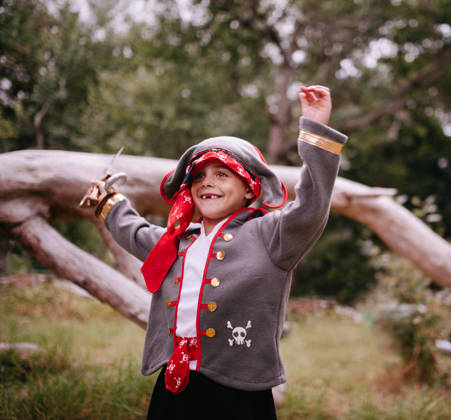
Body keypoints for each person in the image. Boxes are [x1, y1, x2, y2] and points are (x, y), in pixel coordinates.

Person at [88, 85, 347, 419]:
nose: (206, 182)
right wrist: (108, 202)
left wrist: (316, 131)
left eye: (222, 174)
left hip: (239, 390)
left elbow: (312, 206)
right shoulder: (178, 240)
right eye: (198, 176)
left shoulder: (272, 236)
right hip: (173, 384)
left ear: (249, 188)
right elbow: (135, 233)